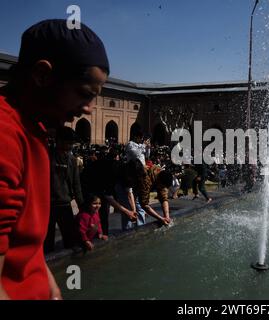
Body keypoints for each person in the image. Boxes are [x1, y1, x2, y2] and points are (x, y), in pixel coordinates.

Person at [0, 19, 109, 299]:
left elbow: (24, 246)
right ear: (42, 75)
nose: (89, 109)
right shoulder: (5, 135)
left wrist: (52, 288)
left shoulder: (34, 130)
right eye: (85, 94)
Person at [44, 126, 84, 254]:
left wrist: (82, 207)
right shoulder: (47, 155)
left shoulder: (71, 160)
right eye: (68, 142)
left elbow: (76, 185)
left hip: (65, 205)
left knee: (70, 241)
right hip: (47, 205)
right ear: (59, 141)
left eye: (71, 143)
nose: (70, 146)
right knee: (47, 242)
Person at [127, 159, 173, 225]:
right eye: (162, 186)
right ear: (159, 181)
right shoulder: (146, 181)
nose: (162, 188)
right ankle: (128, 232)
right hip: (125, 184)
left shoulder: (161, 174)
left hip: (137, 185)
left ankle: (140, 228)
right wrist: (160, 218)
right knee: (129, 212)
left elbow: (164, 198)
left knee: (139, 210)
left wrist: (167, 217)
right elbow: (144, 204)